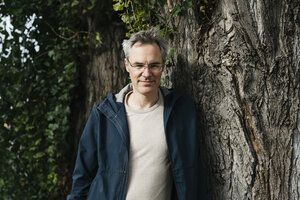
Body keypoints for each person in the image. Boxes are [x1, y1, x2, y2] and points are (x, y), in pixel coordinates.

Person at [67, 29, 210, 200]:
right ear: (127, 65)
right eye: (139, 65)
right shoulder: (104, 115)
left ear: (163, 65)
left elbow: (195, 175)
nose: (147, 73)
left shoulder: (181, 111)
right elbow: (82, 179)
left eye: (154, 65)